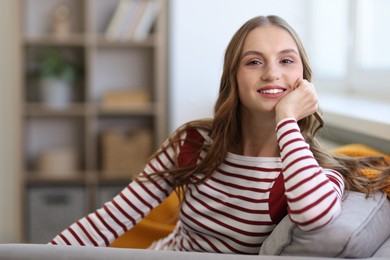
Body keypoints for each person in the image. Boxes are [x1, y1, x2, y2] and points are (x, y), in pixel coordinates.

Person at [49, 15, 389, 254]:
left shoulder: (311, 171)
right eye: (254, 62)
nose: (272, 73)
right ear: (234, 76)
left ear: (304, 78)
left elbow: (314, 216)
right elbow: (112, 218)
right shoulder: (194, 142)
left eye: (286, 61)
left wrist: (286, 118)